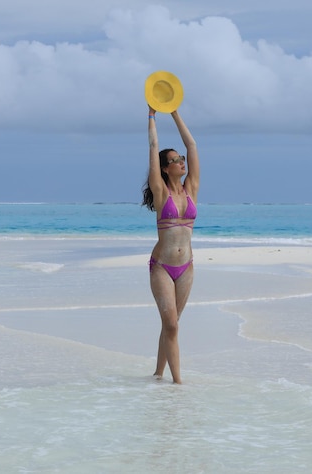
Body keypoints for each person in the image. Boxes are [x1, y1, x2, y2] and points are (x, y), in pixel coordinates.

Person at [142, 105, 200, 384]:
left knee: (171, 325)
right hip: (163, 267)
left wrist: (175, 113)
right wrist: (152, 116)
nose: (182, 162)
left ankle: (158, 374)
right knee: (172, 325)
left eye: (182, 160)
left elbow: (192, 144)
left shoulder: (192, 189)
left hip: (186, 267)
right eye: (175, 160)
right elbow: (153, 149)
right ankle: (178, 385)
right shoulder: (161, 190)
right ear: (165, 169)